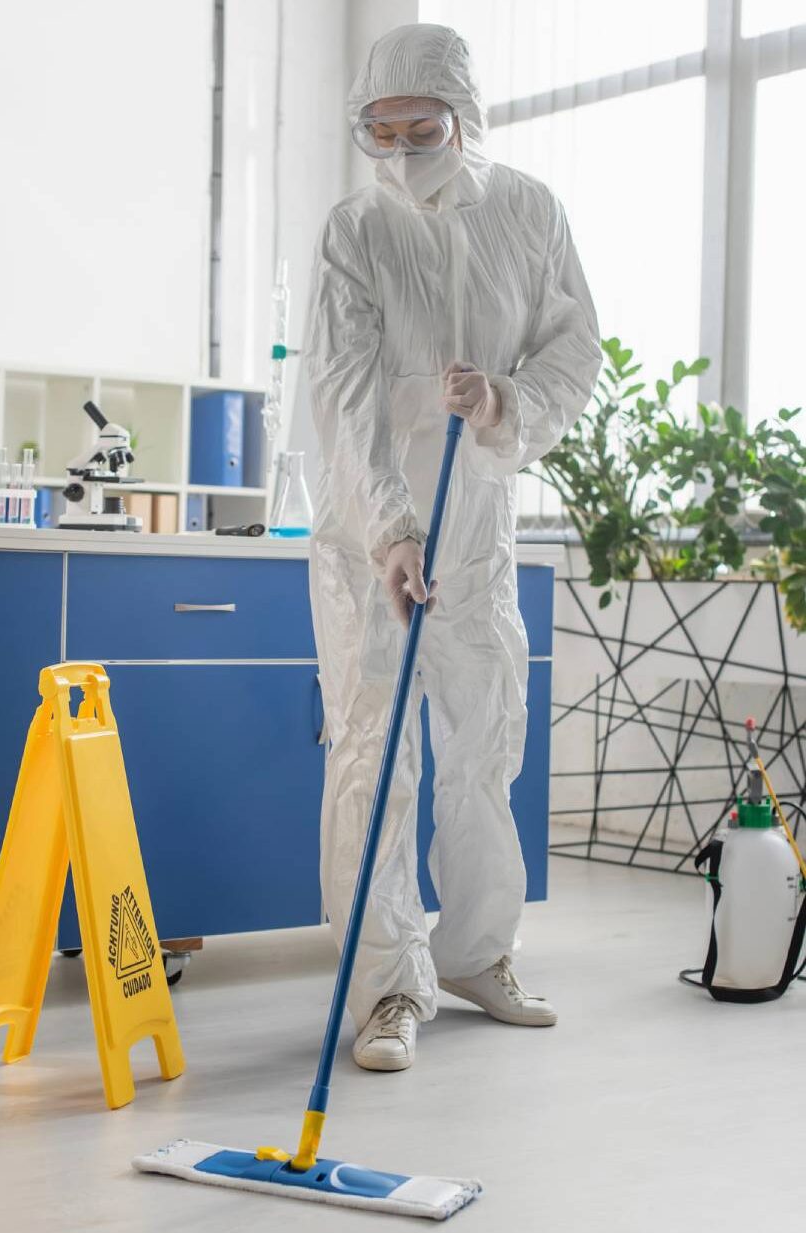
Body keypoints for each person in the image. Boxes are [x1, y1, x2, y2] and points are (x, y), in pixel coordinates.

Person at [303, 23, 601, 1072]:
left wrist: (502, 399)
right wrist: (386, 527)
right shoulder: (354, 229)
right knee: (373, 758)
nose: (396, 153)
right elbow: (339, 392)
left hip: (475, 524)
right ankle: (386, 987)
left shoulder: (528, 213)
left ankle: (477, 955)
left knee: (481, 748)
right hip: (365, 540)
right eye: (376, 134)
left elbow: (577, 345)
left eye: (416, 130)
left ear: (463, 119)